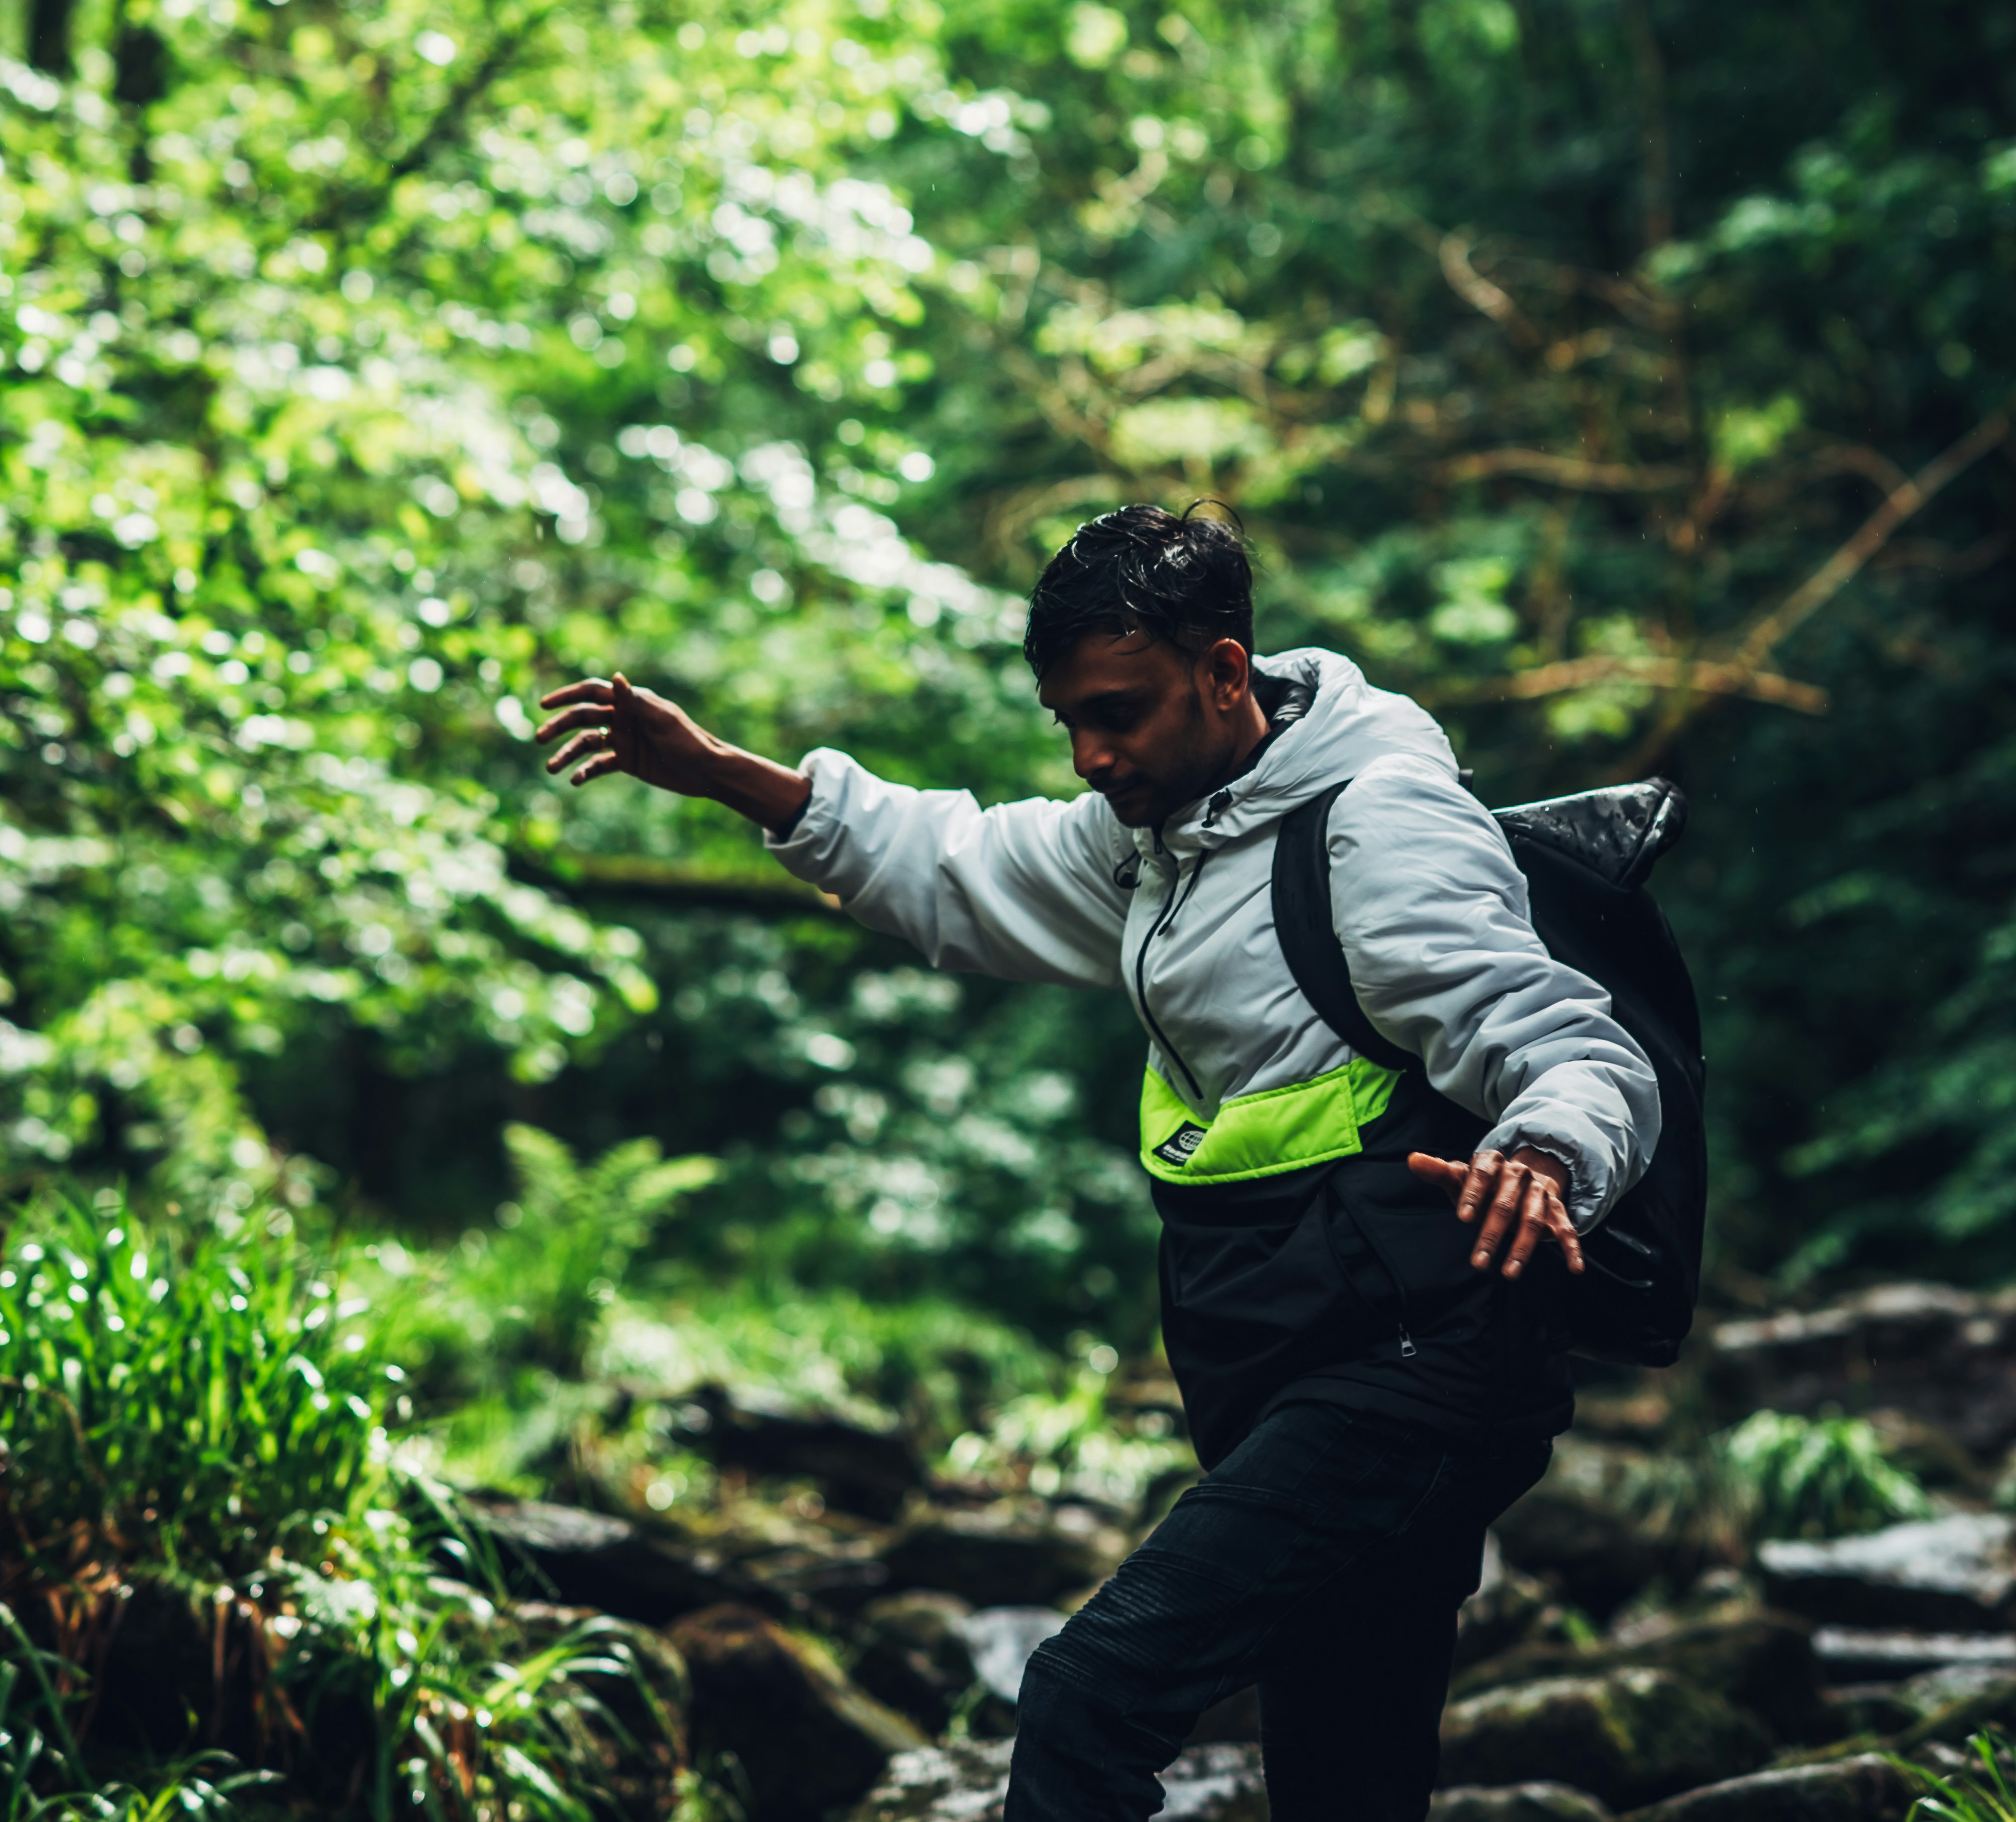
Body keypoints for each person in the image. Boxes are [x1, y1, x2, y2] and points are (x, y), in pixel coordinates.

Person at [537, 503, 1661, 1822]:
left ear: (1225, 672)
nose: (1088, 754)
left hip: (1414, 1369)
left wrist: (1544, 1145)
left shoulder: (1379, 822)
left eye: (1117, 712)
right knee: (1343, 1776)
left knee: (1091, 1694)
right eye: (1068, 720)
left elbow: (1562, 1039)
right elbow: (956, 865)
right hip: (1304, 1356)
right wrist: (726, 771)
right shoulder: (1156, 840)